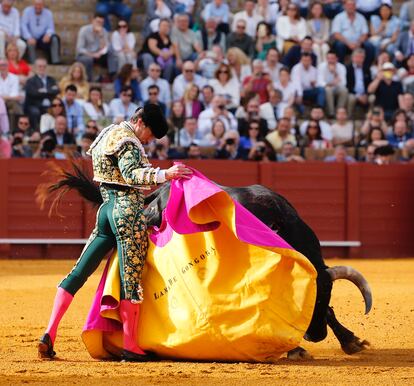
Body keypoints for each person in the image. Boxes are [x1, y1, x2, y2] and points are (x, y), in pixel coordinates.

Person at [37, 104, 192, 361]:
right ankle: (131, 346)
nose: (149, 140)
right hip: (127, 212)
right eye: (150, 133)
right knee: (131, 279)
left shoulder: (109, 132)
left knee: (78, 272)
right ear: (140, 122)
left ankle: (49, 332)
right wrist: (166, 174)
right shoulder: (129, 141)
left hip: (106, 210)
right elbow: (132, 174)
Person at [75, 13, 118, 82]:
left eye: (101, 23)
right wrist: (92, 55)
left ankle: (112, 74)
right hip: (85, 55)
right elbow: (79, 48)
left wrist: (101, 36)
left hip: (98, 55)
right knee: (88, 60)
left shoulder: (104, 31)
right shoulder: (84, 30)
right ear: (93, 21)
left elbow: (106, 48)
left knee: (111, 50)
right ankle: (88, 80)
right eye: (98, 22)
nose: (99, 24)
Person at [21, 0, 61, 64]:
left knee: (54, 39)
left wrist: (48, 34)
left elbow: (51, 28)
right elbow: (23, 26)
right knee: (30, 43)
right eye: (36, 4)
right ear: (33, 4)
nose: (38, 7)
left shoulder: (48, 13)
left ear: (43, 5)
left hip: (43, 37)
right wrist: (29, 37)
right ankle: (33, 63)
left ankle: (55, 61)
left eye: (40, 5)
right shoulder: (27, 11)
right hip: (30, 36)